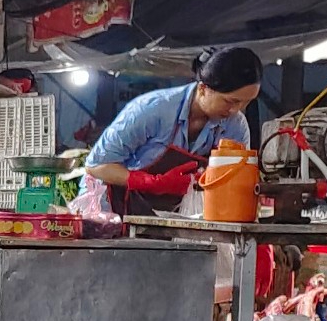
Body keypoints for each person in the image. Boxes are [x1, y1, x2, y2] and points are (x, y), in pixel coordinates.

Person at [82, 45, 262, 215]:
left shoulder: (235, 126)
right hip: (114, 210)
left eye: (246, 103)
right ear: (203, 89)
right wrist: (151, 182)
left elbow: (234, 182)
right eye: (231, 101)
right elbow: (97, 166)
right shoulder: (152, 110)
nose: (236, 110)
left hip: (171, 214)